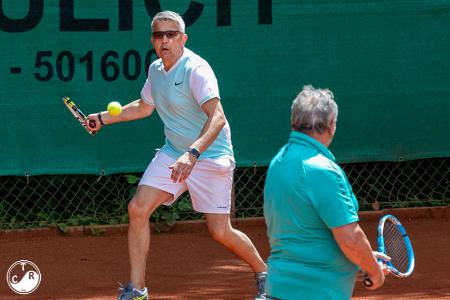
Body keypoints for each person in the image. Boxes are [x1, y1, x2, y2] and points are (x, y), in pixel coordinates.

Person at [86, 10, 267, 300]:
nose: (164, 40)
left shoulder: (196, 69)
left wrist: (193, 154)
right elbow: (144, 107)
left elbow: (218, 117)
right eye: (159, 35)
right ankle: (137, 290)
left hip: (209, 155)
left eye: (171, 34)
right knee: (138, 209)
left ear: (183, 38)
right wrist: (103, 118)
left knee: (220, 231)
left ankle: (263, 272)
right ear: (152, 40)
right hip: (173, 152)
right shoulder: (156, 70)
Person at [263, 86, 390, 299]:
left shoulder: (278, 162)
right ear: (331, 126)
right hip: (317, 292)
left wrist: (364, 258)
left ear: (294, 122)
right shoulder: (322, 170)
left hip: (278, 288)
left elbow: (306, 231)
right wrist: (375, 272)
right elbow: (349, 238)